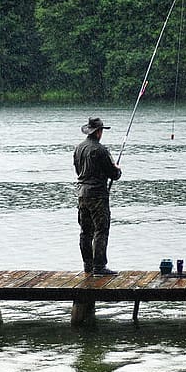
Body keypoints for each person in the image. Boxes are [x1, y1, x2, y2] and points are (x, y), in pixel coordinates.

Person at [74, 117, 122, 275]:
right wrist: (117, 169)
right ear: (99, 132)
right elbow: (114, 174)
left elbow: (78, 171)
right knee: (101, 229)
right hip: (97, 195)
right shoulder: (101, 150)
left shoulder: (78, 148)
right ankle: (99, 266)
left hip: (81, 194)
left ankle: (88, 265)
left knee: (85, 231)